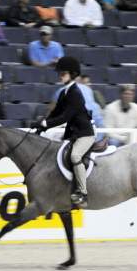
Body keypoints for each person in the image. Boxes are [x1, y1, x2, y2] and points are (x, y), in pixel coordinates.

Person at [31, 57, 95, 208]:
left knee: (75, 155)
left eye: (63, 73)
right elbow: (56, 114)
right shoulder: (63, 93)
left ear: (72, 74)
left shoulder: (76, 93)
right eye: (59, 73)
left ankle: (82, 192)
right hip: (73, 133)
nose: (60, 75)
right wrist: (41, 124)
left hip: (84, 134)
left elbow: (66, 117)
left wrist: (46, 123)